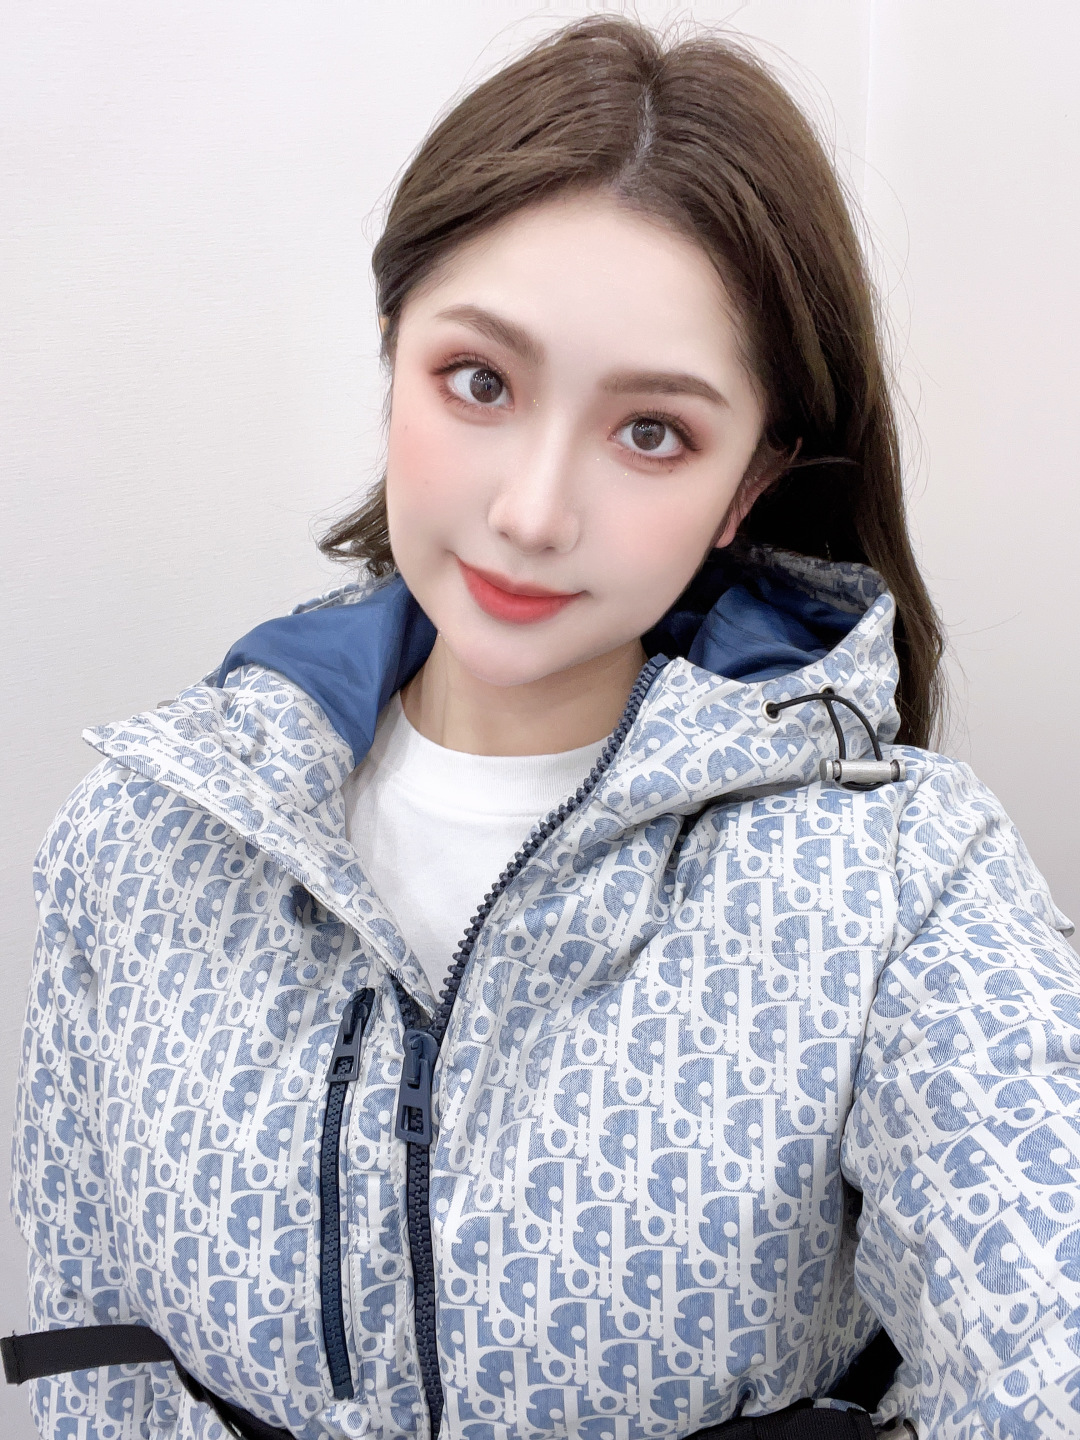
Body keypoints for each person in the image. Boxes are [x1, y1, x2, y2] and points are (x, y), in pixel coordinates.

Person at [7, 15, 1079, 1440]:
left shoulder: (901, 883)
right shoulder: (147, 833)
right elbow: (94, 1360)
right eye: (480, 382)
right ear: (392, 349)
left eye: (652, 432)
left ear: (749, 485)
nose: (531, 512)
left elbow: (1044, 1329)